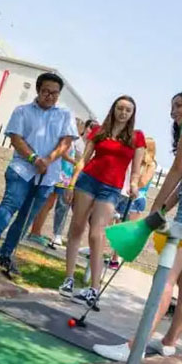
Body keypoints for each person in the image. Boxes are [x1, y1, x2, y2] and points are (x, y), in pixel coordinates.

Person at [93, 90, 182, 361]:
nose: (174, 112)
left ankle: (134, 348)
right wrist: (165, 208)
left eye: (178, 106)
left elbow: (179, 170)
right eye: (172, 107)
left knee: (166, 275)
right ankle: (169, 343)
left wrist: (155, 206)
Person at [0, 72, 78, 277]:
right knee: (11, 203)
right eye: (46, 91)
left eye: (55, 93)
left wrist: (49, 160)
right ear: (38, 90)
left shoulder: (64, 115)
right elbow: (16, 138)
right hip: (21, 168)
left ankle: (6, 254)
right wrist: (34, 159)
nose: (50, 96)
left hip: (48, 175)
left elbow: (66, 142)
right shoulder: (22, 111)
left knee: (27, 217)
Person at [59, 95, 145, 307]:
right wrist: (72, 184)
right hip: (87, 181)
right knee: (77, 227)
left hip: (111, 189)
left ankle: (94, 289)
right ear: (114, 109)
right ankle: (69, 278)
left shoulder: (137, 138)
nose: (123, 112)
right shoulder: (99, 131)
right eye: (120, 108)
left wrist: (134, 187)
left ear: (132, 114)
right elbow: (83, 160)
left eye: (128, 110)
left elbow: (135, 171)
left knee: (97, 234)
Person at [27, 118, 97, 248]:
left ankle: (39, 232)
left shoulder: (81, 142)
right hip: (59, 174)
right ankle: (34, 231)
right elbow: (63, 153)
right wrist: (74, 162)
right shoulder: (69, 139)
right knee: (47, 203)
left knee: (54, 204)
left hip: (67, 177)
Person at [105, 136, 159, 270]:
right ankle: (112, 256)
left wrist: (133, 183)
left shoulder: (150, 165)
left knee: (125, 229)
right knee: (116, 226)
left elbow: (143, 182)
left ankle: (115, 259)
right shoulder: (136, 161)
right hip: (125, 195)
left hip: (136, 199)